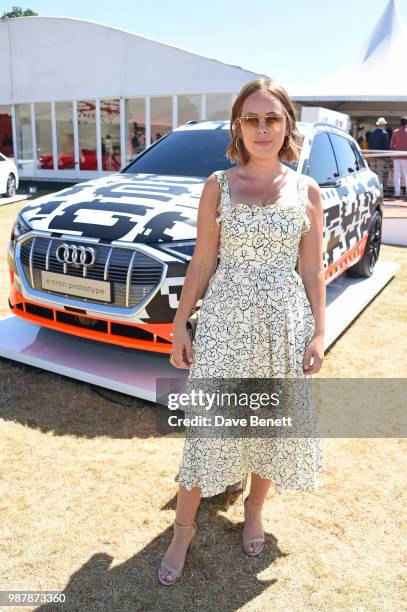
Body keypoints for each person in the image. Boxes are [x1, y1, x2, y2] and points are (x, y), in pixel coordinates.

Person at [159, 77, 325, 586]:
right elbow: (202, 261)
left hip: (284, 325)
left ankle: (254, 510)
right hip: (226, 323)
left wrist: (319, 333)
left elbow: (313, 270)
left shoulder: (306, 190)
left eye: (272, 118)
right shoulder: (218, 185)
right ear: (237, 126)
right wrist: (180, 323)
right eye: (251, 119)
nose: (262, 128)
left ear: (288, 126)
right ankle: (182, 530)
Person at [367, 117, 389, 186]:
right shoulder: (384, 134)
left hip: (372, 155)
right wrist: (386, 156)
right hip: (380, 155)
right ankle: (379, 187)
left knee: (372, 170)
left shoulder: (372, 133)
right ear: (383, 125)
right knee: (380, 172)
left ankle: (372, 186)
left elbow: (369, 145)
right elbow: (385, 146)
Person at [389, 116, 407, 199]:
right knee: (406, 175)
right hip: (405, 157)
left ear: (400, 123)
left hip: (396, 156)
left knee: (397, 175)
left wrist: (392, 156)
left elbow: (391, 145)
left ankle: (397, 194)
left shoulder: (395, 132)